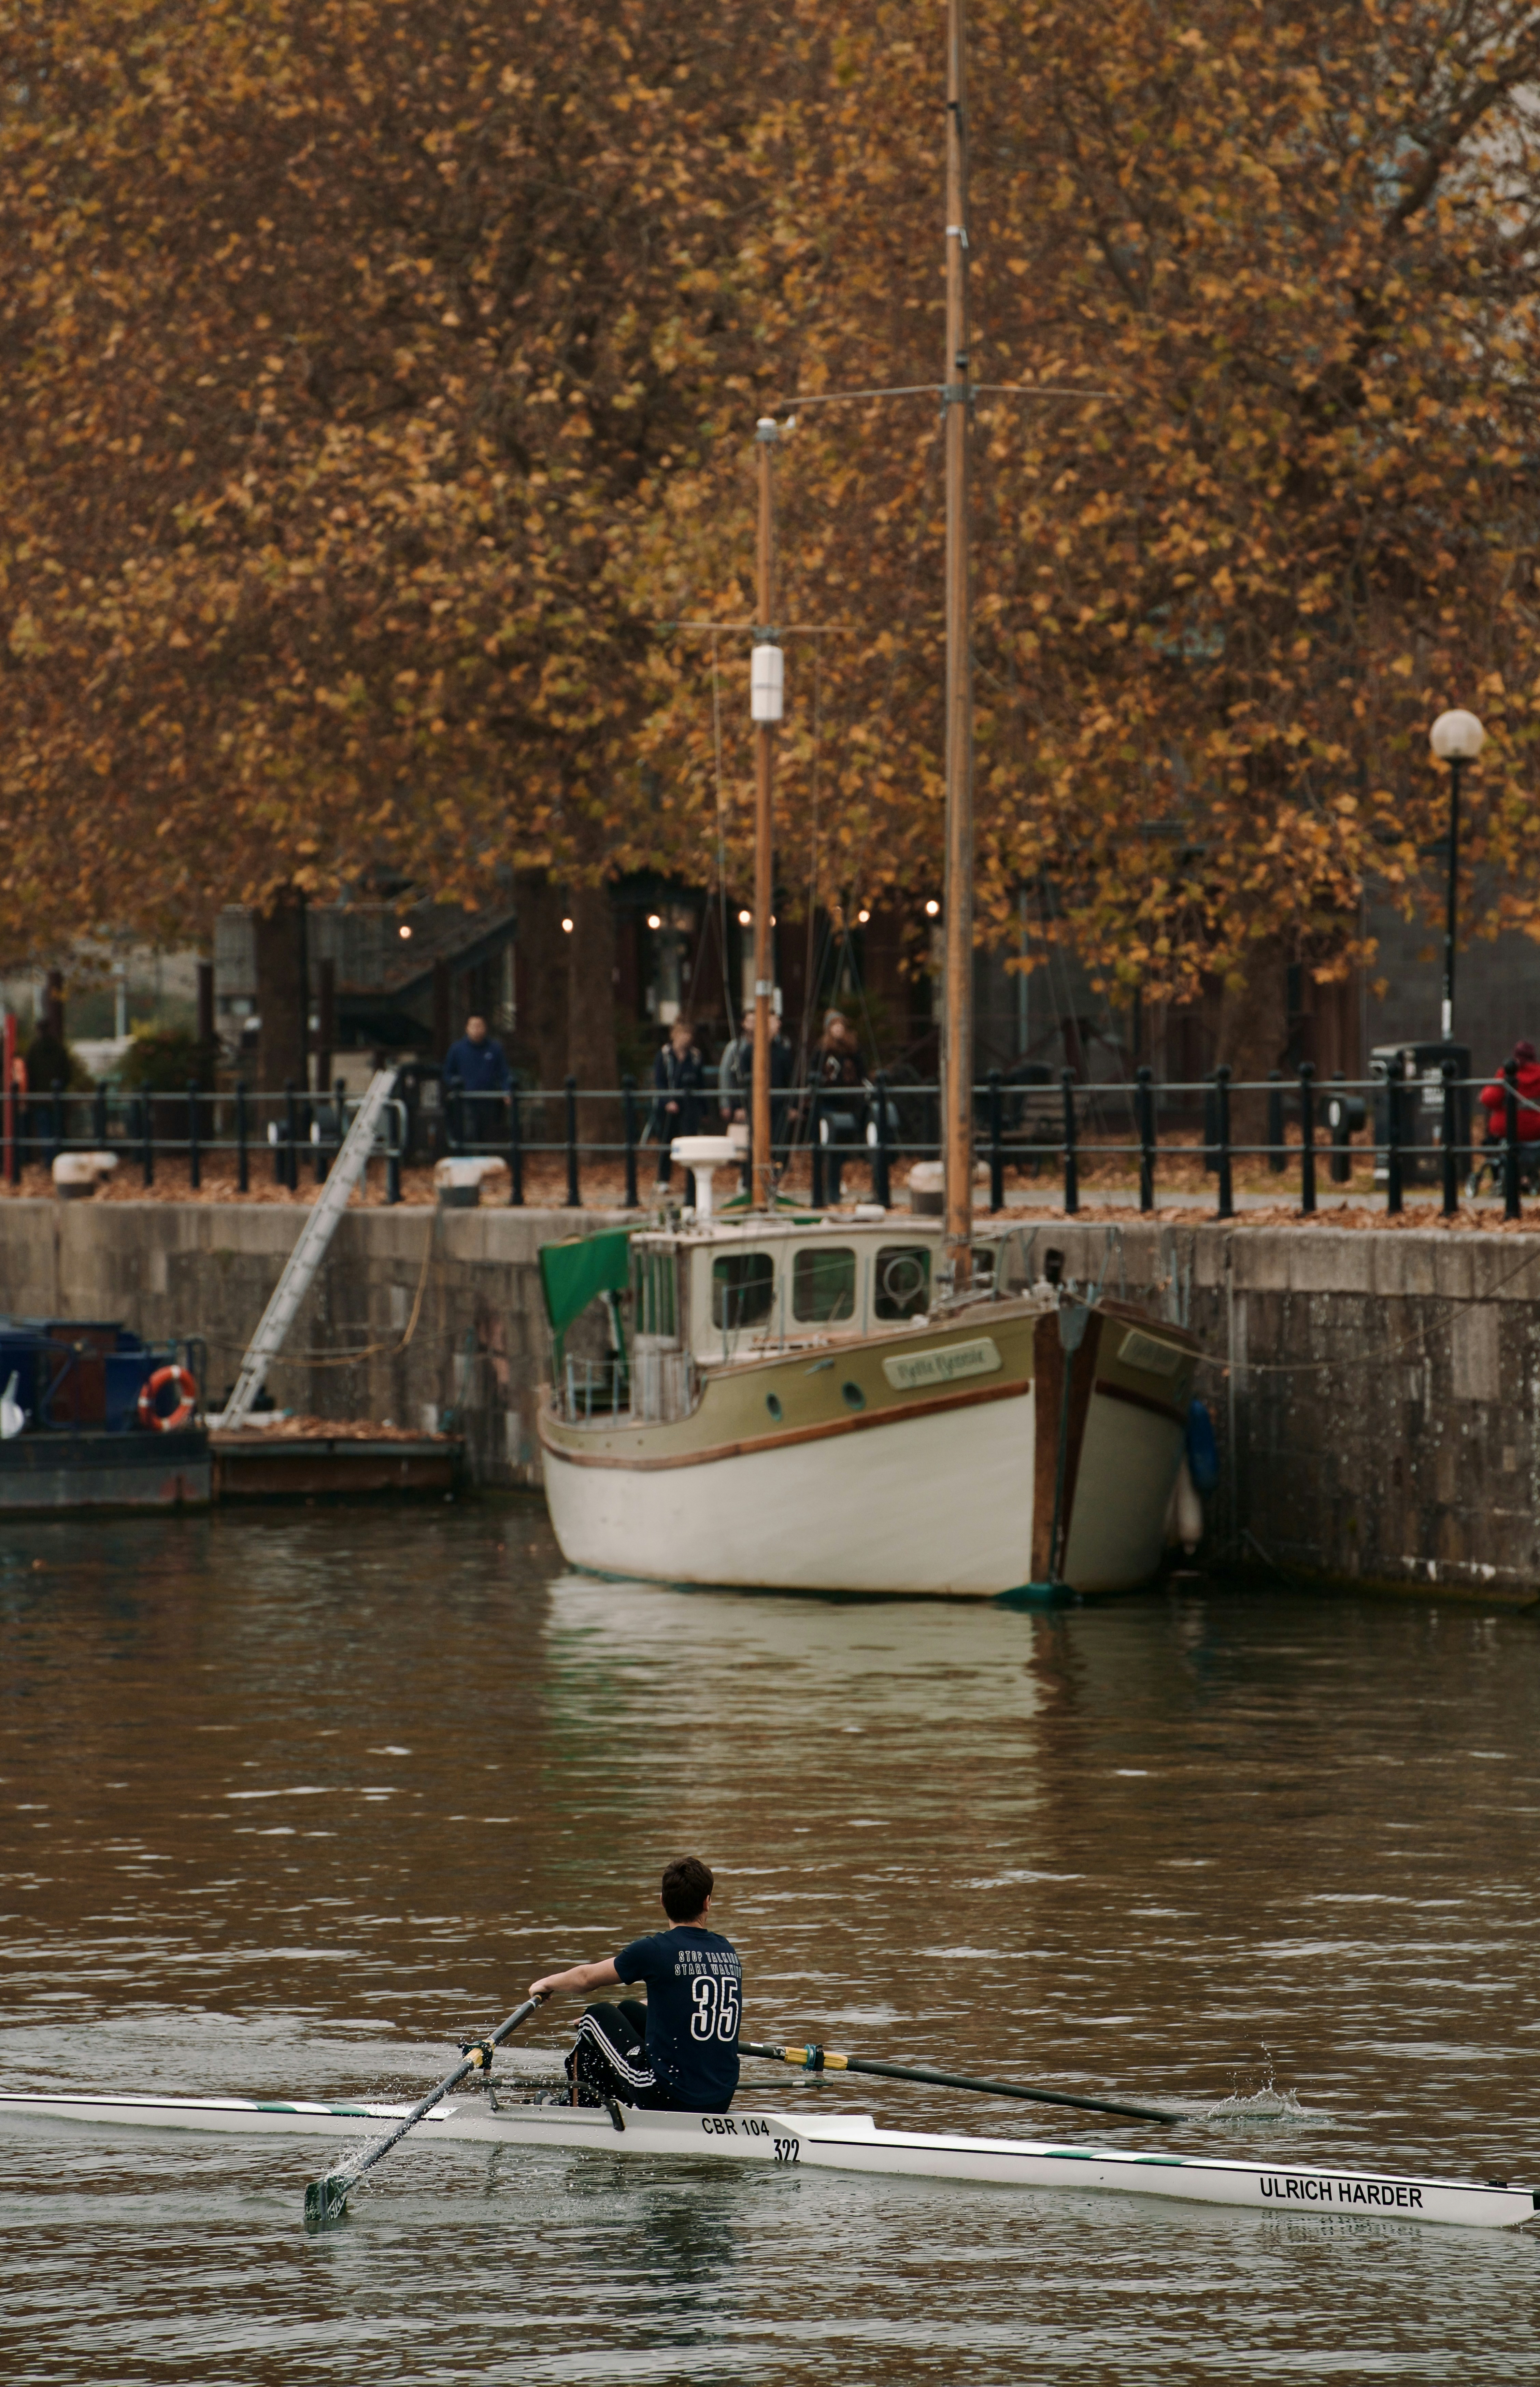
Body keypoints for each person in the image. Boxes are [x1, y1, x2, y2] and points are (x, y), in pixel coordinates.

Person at [529, 1855, 742, 2114]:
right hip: (721, 2095)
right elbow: (687, 1999)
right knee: (629, 2010)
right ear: (707, 1903)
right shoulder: (726, 1951)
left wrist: (546, 1983)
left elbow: (587, 1979)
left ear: (662, 1901)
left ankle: (576, 2108)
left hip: (667, 2094)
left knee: (595, 2017)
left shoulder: (656, 1950)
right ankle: (613, 2103)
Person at [808, 1011, 867, 1203]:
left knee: (843, 1146)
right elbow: (813, 1073)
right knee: (829, 1144)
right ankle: (829, 1186)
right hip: (829, 1103)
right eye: (834, 1025)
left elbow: (862, 1073)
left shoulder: (852, 1050)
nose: (839, 1029)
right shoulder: (822, 1051)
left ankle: (837, 1182)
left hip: (848, 1104)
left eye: (841, 1025)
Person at [649, 1018, 704, 1191]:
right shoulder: (665, 1055)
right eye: (683, 1034)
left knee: (691, 1142)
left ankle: (692, 1181)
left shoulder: (695, 1057)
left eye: (689, 1034)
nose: (687, 1038)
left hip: (689, 1104)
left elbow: (700, 1083)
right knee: (667, 1142)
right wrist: (667, 1101)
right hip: (668, 1105)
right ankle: (663, 1179)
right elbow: (659, 1081)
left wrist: (704, 1108)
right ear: (675, 1035)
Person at [441, 1013, 510, 1145]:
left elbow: (504, 1073)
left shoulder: (495, 1049)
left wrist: (507, 1090)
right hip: (466, 1100)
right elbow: (448, 1073)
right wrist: (457, 1086)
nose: (477, 1029)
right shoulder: (457, 1050)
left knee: (489, 1134)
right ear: (467, 1028)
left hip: (490, 1100)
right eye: (474, 1026)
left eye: (480, 1026)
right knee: (470, 1133)